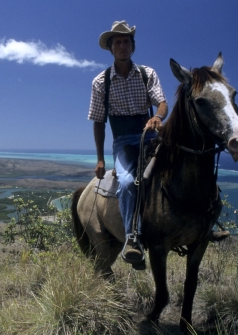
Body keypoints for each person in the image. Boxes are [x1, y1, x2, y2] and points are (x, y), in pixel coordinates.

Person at [88, 21, 168, 268]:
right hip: (123, 141)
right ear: (111, 49)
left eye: (126, 42)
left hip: (151, 135)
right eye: (117, 42)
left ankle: (204, 220)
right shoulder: (101, 82)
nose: (122, 46)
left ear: (132, 46)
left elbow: (162, 103)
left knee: (186, 163)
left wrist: (157, 117)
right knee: (126, 182)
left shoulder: (147, 73)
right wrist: (100, 158)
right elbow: (99, 122)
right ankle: (132, 238)